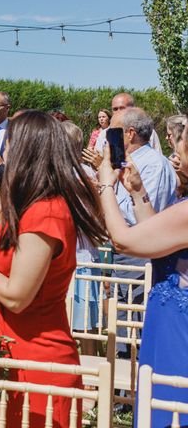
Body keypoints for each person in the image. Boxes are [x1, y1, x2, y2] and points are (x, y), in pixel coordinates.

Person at [0, 110, 107, 428]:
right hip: (8, 356)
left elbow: (17, 296)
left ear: (26, 150)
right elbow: (14, 264)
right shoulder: (28, 207)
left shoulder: (46, 212)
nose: (0, 153)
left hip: (37, 366)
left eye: (9, 143)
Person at [97, 128, 188, 428]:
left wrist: (105, 187)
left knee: (169, 408)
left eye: (181, 145)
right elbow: (159, 244)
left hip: (178, 332)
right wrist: (137, 192)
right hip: (167, 324)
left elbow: (124, 241)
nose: (174, 154)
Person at [108, 108, 177, 354]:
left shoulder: (154, 165)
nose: (108, 136)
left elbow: (147, 219)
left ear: (130, 133)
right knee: (121, 328)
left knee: (135, 326)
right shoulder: (124, 164)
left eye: (113, 131)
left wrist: (108, 195)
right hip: (122, 252)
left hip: (141, 256)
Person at [63, 120, 102, 356]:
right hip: (83, 253)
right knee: (88, 323)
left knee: (83, 323)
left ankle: (86, 377)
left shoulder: (78, 175)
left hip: (79, 255)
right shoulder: (87, 173)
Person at [93, 93, 163, 154]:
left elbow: (157, 155)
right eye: (115, 109)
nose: (118, 112)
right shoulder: (104, 134)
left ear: (133, 109)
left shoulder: (148, 132)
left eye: (122, 108)